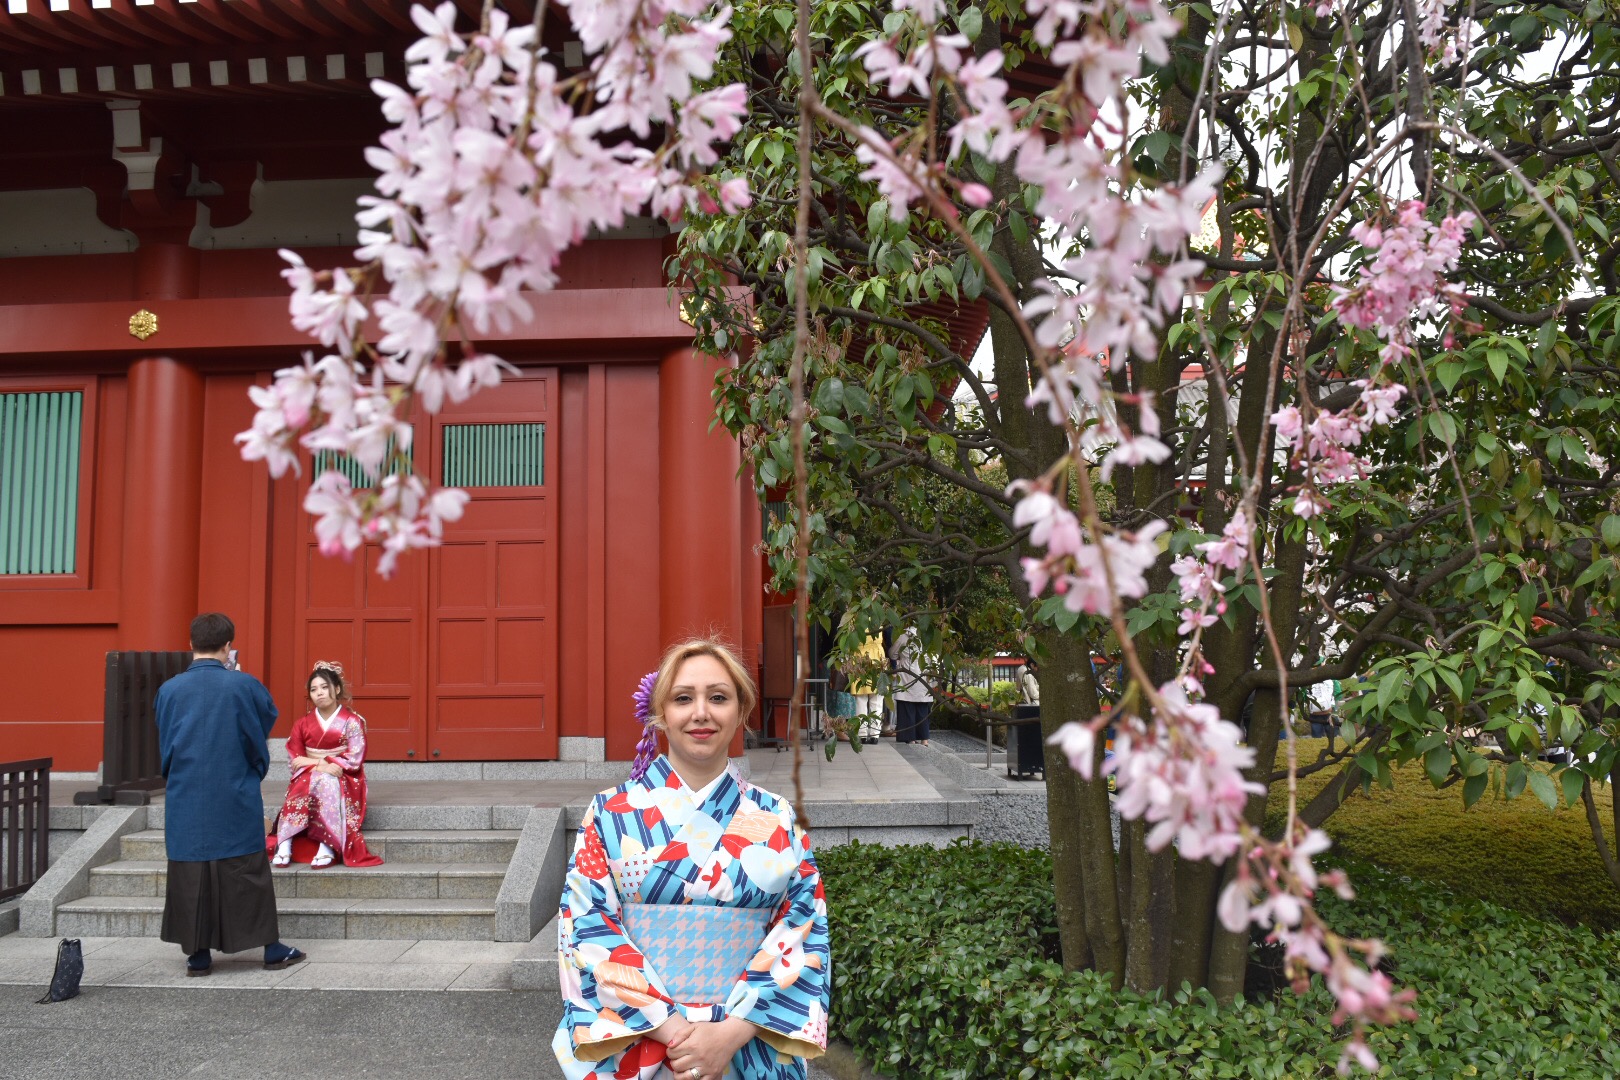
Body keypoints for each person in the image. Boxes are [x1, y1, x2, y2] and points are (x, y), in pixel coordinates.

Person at [553, 639, 831, 1080]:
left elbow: (803, 928)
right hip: (643, 1042)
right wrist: (675, 1031)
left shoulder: (778, 816)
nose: (701, 712)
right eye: (683, 698)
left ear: (741, 711)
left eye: (718, 697)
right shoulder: (609, 812)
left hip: (744, 1041)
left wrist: (727, 1036)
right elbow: (586, 925)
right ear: (661, 713)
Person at [156, 612, 305, 976]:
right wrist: (253, 768)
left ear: (190, 644)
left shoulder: (169, 689)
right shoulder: (244, 685)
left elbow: (165, 739)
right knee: (245, 867)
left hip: (186, 791)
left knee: (190, 870)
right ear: (228, 645)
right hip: (233, 786)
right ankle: (270, 948)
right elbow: (263, 723)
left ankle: (198, 954)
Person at [268, 661, 383, 869]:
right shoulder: (302, 724)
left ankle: (327, 844)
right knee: (304, 781)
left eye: (324, 687)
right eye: (313, 689)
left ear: (336, 689)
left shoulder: (352, 721)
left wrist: (317, 764)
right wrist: (320, 764)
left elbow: (354, 757)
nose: (319, 693)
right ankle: (285, 842)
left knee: (326, 779)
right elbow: (294, 760)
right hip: (314, 772)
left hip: (343, 776)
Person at [889, 625, 933, 745]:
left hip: (906, 676)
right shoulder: (927, 637)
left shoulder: (903, 637)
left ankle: (910, 738)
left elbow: (892, 653)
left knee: (907, 707)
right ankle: (924, 739)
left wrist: (901, 659)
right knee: (923, 709)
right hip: (923, 676)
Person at [847, 633, 885, 744]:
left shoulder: (854, 617)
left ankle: (862, 734)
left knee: (860, 700)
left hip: (859, 657)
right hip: (877, 657)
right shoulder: (880, 617)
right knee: (877, 700)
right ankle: (875, 734)